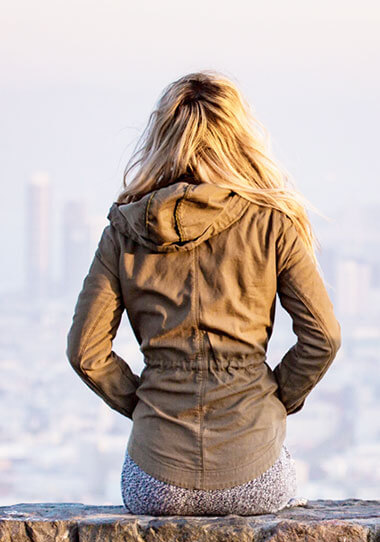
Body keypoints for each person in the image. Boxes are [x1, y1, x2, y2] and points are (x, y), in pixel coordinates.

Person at [66, 70, 341, 516]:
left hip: (154, 480)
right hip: (255, 471)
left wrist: (144, 404)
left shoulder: (123, 229)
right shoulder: (273, 223)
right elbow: (323, 338)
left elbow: (85, 351)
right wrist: (273, 398)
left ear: (162, 137)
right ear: (239, 138)